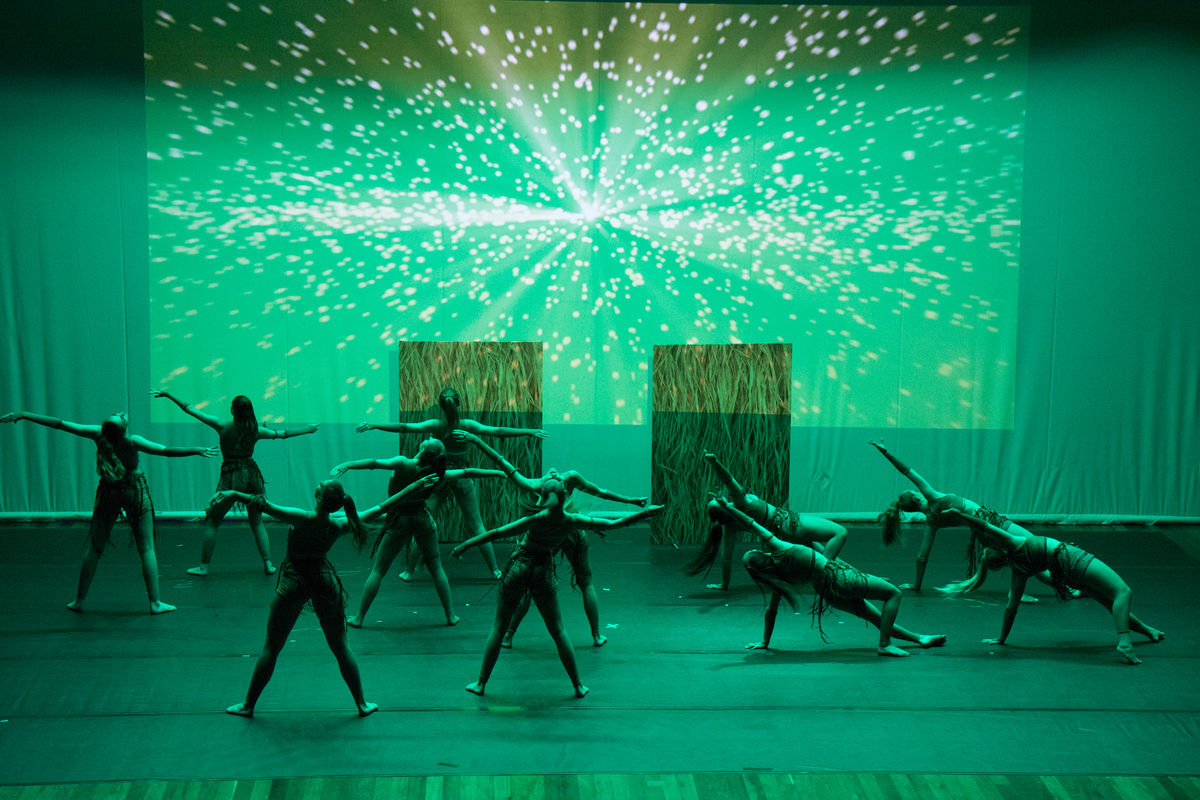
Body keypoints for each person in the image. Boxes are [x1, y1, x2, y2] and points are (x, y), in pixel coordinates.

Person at [222, 475, 440, 717]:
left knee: (272, 646)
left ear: (319, 498)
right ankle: (361, 703)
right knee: (341, 646)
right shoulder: (338, 525)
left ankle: (248, 704)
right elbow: (382, 507)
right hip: (323, 580)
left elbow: (263, 504)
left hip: (294, 581)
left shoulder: (302, 518)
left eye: (321, 485)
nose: (319, 483)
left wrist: (233, 493)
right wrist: (413, 487)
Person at [450, 480, 664, 698]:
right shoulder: (572, 521)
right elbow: (614, 523)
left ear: (542, 498)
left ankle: (481, 683)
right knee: (559, 631)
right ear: (565, 497)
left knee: (498, 628)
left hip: (519, 567)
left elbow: (496, 533)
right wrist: (645, 513)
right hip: (542, 572)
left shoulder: (535, 519)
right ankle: (578, 685)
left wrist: (465, 545)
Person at [1, 410, 215, 614]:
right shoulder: (132, 441)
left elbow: (60, 424)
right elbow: (166, 451)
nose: (122, 413)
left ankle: (79, 601)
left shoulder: (98, 434)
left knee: (95, 548)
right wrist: (196, 449)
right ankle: (155, 603)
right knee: (146, 548)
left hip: (108, 490)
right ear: (124, 429)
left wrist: (24, 414)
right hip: (134, 490)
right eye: (120, 416)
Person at [455, 431, 649, 649]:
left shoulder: (547, 486)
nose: (554, 473)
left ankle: (511, 635)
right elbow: (503, 464)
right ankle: (515, 634)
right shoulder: (553, 485)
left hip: (563, 534)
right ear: (558, 492)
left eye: (556, 478)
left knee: (574, 582)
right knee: (575, 583)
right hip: (562, 535)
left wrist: (631, 500)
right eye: (553, 478)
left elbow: (600, 492)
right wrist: (476, 440)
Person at [715, 497, 946, 657]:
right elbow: (752, 524)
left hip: (829, 593)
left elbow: (771, 612)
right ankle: (884, 645)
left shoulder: (777, 578)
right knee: (893, 593)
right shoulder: (779, 548)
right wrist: (728, 507)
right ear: (761, 555)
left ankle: (919, 638)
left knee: (879, 619)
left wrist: (765, 641)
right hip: (841, 580)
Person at [357, 387, 548, 579]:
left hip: (439, 478)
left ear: (441, 406)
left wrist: (374, 424)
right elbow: (498, 431)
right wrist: (529, 431)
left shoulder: (436, 425)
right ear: (458, 404)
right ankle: (495, 570)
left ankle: (409, 571)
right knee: (477, 525)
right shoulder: (467, 425)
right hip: (461, 476)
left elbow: (404, 427)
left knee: (424, 522)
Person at [937, 508, 1164, 665]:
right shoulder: (1013, 543)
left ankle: (1147, 631)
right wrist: (960, 515)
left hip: (1063, 574)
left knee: (1108, 601)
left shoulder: (1018, 573)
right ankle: (1125, 643)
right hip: (1070, 559)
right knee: (1122, 592)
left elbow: (1011, 609)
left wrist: (1001, 638)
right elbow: (985, 526)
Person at [329, 438, 506, 628]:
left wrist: (348, 464)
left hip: (400, 521)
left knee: (379, 570)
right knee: (436, 568)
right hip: (422, 519)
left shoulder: (403, 463)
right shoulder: (435, 473)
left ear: (422, 449)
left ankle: (359, 617)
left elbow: (373, 463)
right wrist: (497, 472)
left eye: (429, 439)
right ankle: (450, 615)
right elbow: (467, 472)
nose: (428, 437)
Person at [869, 439, 1072, 602]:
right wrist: (886, 453)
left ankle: (1063, 588)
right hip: (991, 523)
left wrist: (917, 584)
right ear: (916, 497)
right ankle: (1064, 585)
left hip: (983, 533)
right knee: (1034, 547)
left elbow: (922, 556)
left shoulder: (931, 522)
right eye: (915, 492)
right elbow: (908, 471)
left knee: (1025, 558)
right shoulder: (932, 497)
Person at [149, 390, 319, 576]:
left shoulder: (222, 425)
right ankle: (268, 564)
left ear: (232, 410)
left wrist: (169, 394)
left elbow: (189, 409)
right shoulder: (256, 430)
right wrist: (308, 429)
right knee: (257, 522)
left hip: (232, 476)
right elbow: (283, 434)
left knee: (213, 521)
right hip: (252, 475)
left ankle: (204, 567)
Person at [688, 452, 848, 590]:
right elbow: (729, 480)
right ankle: (820, 577)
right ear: (723, 507)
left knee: (830, 559)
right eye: (717, 500)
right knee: (839, 532)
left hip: (783, 537)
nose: (719, 497)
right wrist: (714, 462)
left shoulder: (728, 525)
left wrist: (724, 584)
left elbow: (726, 558)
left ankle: (844, 576)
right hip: (789, 524)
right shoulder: (740, 504)